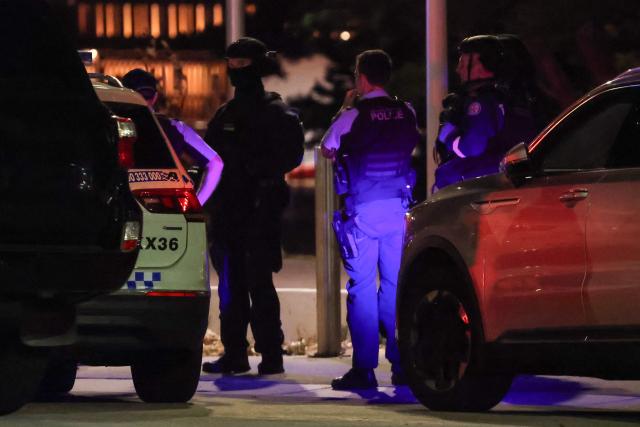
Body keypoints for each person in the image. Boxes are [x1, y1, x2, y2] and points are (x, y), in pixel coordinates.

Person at [201, 37, 304, 375]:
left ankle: (271, 354)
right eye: (232, 65)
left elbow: (291, 155)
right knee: (232, 285)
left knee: (258, 283)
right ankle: (236, 353)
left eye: (242, 65)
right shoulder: (226, 114)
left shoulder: (276, 112)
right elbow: (210, 159)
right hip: (230, 211)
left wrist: (257, 170)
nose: (236, 72)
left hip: (260, 210)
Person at [321, 50, 419, 389]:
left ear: (361, 78)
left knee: (362, 288)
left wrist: (346, 108)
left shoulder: (354, 115)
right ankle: (402, 365)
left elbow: (327, 147)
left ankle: (364, 369)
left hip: (362, 211)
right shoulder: (406, 111)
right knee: (394, 286)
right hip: (399, 208)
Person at [433, 35, 537, 192]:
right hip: (508, 179)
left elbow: (471, 147)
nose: (458, 69)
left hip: (485, 188)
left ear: (482, 65)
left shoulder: (481, 103)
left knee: (446, 174)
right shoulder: (508, 97)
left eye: (463, 62)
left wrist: (448, 135)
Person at [121, 68, 223, 205]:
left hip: (122, 206)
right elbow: (216, 164)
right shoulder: (176, 128)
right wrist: (197, 203)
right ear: (155, 97)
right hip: (166, 210)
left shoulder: (111, 126)